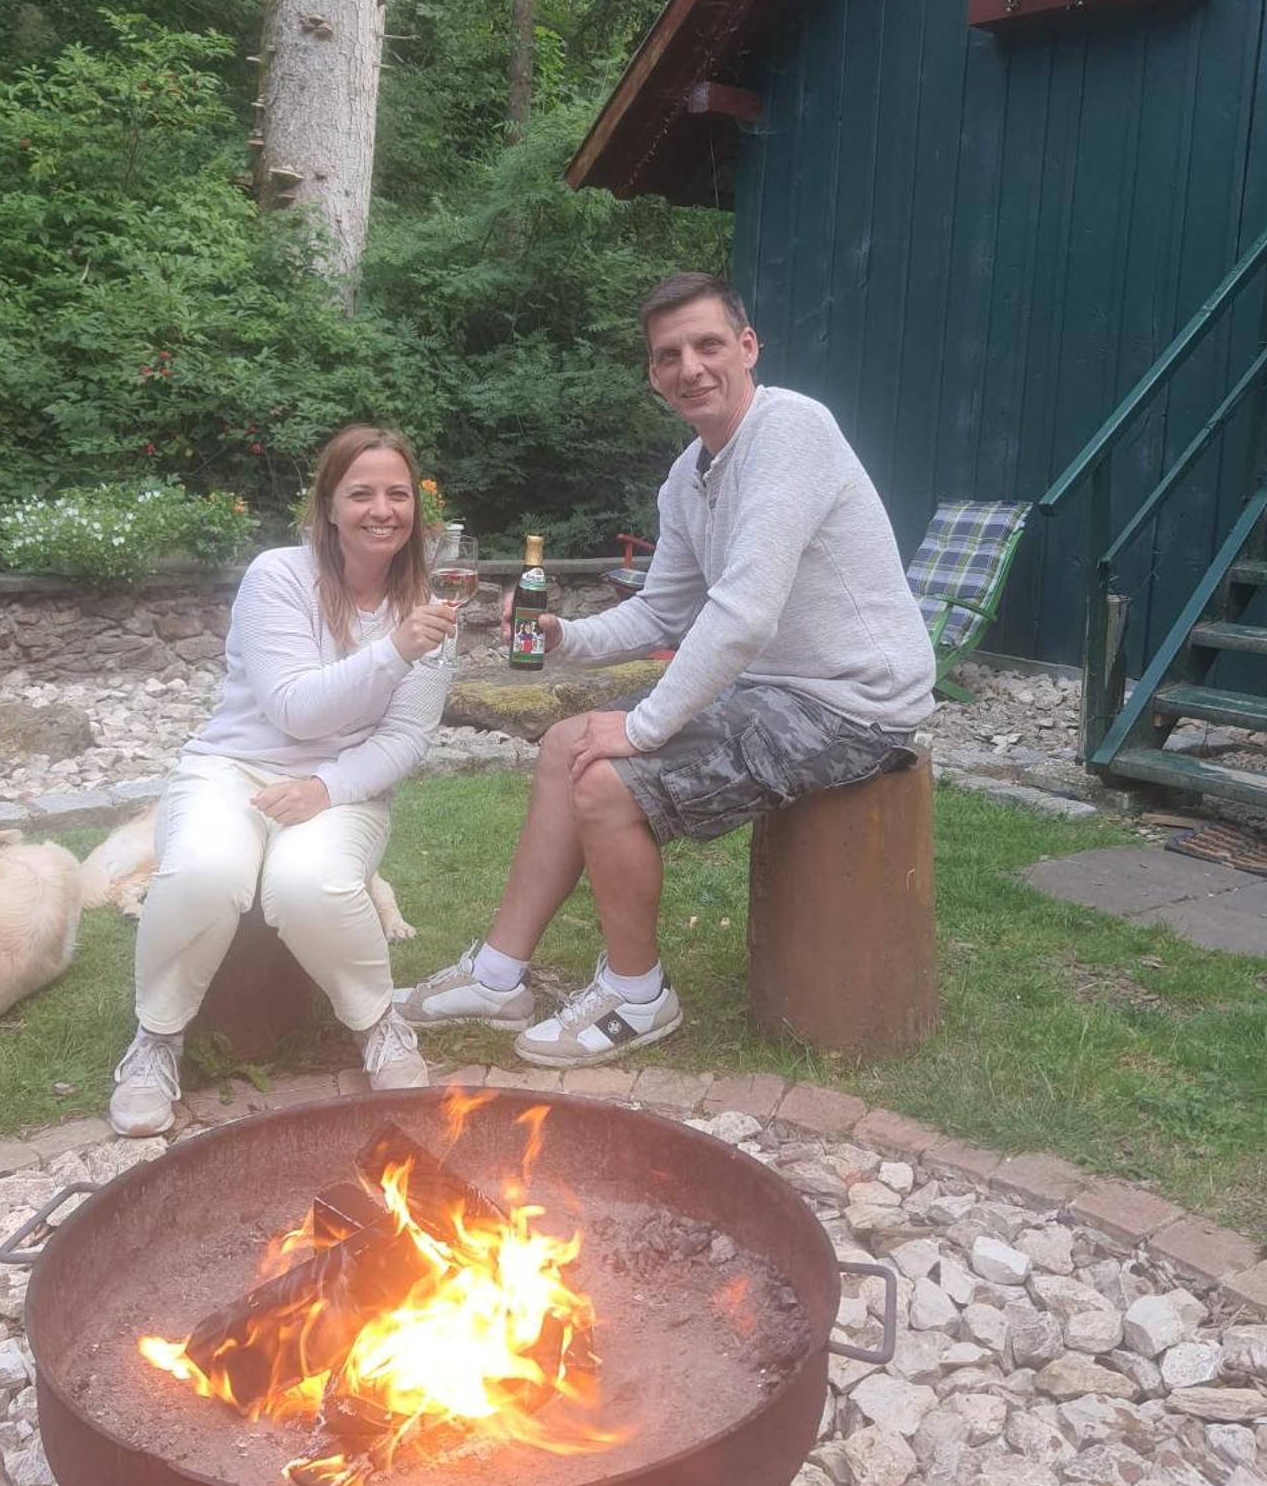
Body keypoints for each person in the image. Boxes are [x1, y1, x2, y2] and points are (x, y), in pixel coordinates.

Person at [397, 271, 936, 1068]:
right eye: (668, 355)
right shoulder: (688, 477)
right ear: (653, 375)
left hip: (855, 705)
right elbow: (663, 612)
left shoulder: (792, 431)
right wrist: (562, 639)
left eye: (708, 344)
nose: (691, 367)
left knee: (608, 779)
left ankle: (639, 993)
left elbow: (744, 613)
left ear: (748, 348)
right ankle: (498, 974)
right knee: (561, 747)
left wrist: (646, 726)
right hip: (776, 689)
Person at [109, 425, 456, 1137]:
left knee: (307, 883)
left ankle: (379, 1024)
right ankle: (156, 1041)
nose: (382, 509)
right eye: (361, 493)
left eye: (398, 494)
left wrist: (326, 790)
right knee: (205, 869)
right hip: (230, 768)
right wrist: (394, 649)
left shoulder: (429, 605)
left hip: (341, 785)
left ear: (416, 510)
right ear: (328, 506)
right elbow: (293, 708)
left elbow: (406, 736)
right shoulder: (278, 575)